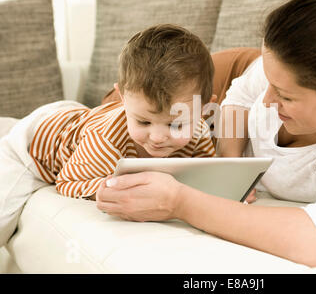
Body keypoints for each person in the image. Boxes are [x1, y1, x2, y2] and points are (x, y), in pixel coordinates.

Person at [94, 0, 316, 272]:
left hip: (208, 96)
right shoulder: (282, 71)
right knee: (109, 115)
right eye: (270, 83)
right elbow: (242, 93)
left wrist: (179, 202)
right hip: (223, 70)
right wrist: (229, 170)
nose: (267, 100)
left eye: (285, 96)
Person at [0, 24, 216, 246]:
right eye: (143, 121)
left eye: (176, 125)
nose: (158, 137)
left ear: (203, 110)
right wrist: (106, 188)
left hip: (80, 118)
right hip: (35, 142)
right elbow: (66, 181)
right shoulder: (107, 141)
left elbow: (207, 172)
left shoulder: (199, 131)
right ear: (122, 97)